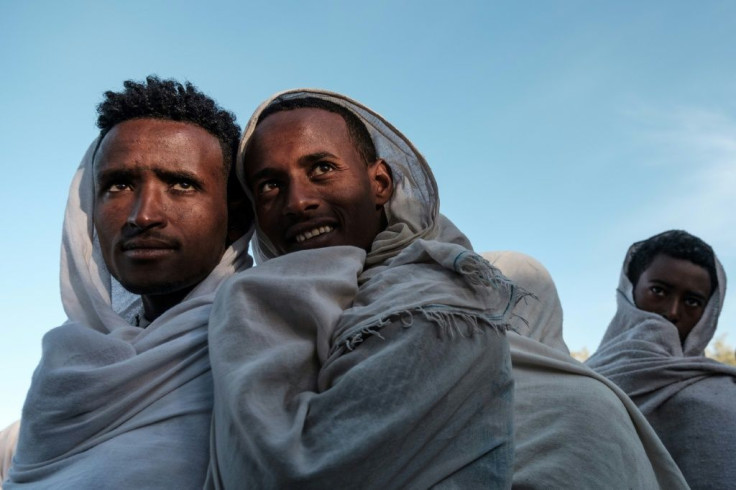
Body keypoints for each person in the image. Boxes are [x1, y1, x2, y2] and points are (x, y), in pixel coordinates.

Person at [206, 90, 522, 489]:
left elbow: (285, 473)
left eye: (322, 168)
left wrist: (246, 300)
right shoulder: (271, 302)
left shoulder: (440, 304)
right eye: (269, 185)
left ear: (380, 183)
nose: (297, 201)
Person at [4, 76, 252, 489]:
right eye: (118, 185)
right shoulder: (67, 364)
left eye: (181, 184)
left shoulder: (271, 335)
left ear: (236, 218)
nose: (144, 214)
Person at [482, 251, 688, 489]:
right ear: (549, 313)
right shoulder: (590, 400)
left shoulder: (445, 385)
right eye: (659, 291)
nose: (672, 312)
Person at [586, 230, 736, 489]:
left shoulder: (724, 396)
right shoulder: (582, 380)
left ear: (708, 313)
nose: (673, 311)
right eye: (658, 291)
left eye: (692, 301)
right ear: (630, 291)